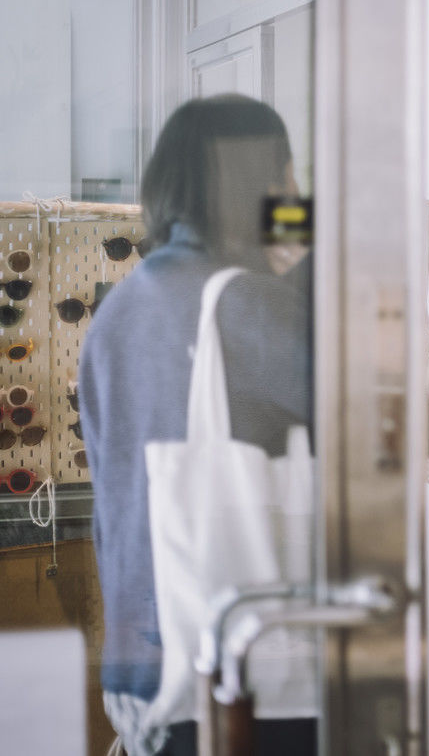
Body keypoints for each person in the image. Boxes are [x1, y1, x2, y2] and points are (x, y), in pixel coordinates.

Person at [80, 95, 314, 755]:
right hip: (236, 675)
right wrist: (307, 267)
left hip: (139, 671)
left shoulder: (117, 310)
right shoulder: (245, 303)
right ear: (257, 184)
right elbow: (411, 432)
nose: (295, 195)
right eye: (288, 177)